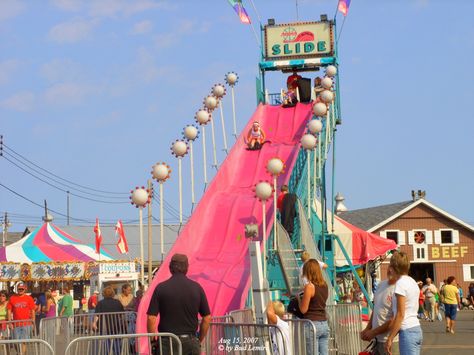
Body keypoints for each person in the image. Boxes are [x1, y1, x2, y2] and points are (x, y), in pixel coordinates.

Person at [147, 253, 211, 355]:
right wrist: (199, 339)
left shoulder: (161, 288)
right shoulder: (197, 288)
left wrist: (153, 341)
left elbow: (151, 318)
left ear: (170, 268)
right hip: (190, 342)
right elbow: (207, 318)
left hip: (166, 343)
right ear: (187, 268)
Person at [385, 251, 422, 355]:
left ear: (393, 267)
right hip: (416, 328)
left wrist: (390, 338)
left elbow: (401, 314)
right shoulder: (412, 281)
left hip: (407, 331)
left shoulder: (400, 284)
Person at [361, 266, 399, 355]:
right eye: (390, 266)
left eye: (393, 267)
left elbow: (394, 320)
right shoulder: (381, 285)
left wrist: (373, 332)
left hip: (390, 341)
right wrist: (367, 329)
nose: (389, 269)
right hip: (377, 341)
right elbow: (376, 309)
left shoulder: (399, 288)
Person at [298, 259, 329, 355]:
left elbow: (303, 310)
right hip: (324, 323)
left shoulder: (309, 287)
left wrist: (299, 299)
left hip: (312, 324)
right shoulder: (325, 285)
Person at [7, 283, 36, 355]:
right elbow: (9, 310)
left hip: (27, 324)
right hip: (16, 324)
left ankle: (21, 353)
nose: (20, 290)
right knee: (16, 341)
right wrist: (9, 322)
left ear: (25, 289)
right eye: (19, 289)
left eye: (22, 289)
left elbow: (33, 310)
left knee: (24, 341)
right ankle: (20, 352)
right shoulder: (12, 298)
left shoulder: (29, 298)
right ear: (17, 289)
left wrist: (33, 322)